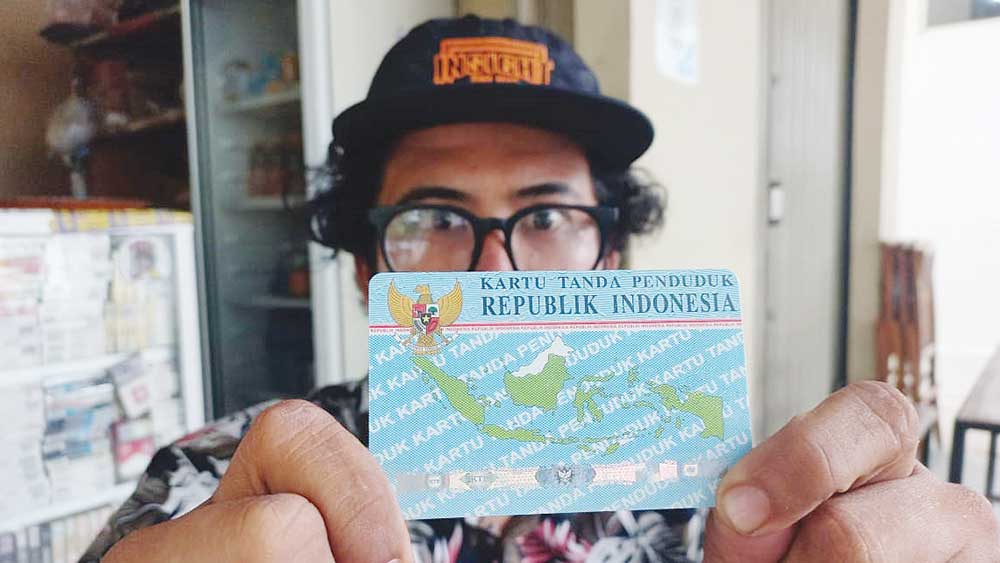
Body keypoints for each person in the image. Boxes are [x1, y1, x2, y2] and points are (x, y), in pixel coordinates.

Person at [92, 16, 999, 563]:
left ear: (611, 257)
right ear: (369, 268)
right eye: (434, 217)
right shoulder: (217, 479)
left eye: (548, 215)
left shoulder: (730, 507)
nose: (496, 275)